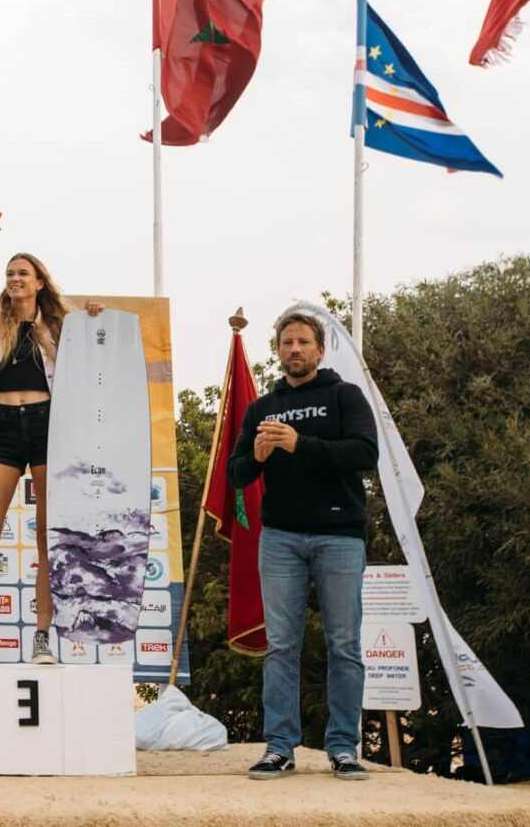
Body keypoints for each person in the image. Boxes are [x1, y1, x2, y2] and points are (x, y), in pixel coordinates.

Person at [0, 212, 101, 666]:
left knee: (49, 535)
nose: (14, 279)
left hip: (49, 427)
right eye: (9, 274)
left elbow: (98, 349)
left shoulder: (61, 325)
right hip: (4, 428)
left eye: (22, 273)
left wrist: (94, 320)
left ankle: (43, 637)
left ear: (39, 282)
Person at [227, 310, 378, 781]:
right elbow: (235, 475)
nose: (294, 349)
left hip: (340, 536)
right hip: (280, 539)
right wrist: (256, 455)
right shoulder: (260, 409)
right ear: (278, 351)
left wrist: (300, 443)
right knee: (281, 647)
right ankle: (279, 747)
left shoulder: (343, 395)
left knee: (345, 645)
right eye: (286, 342)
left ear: (319, 349)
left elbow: (365, 454)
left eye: (303, 342)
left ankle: (343, 748)